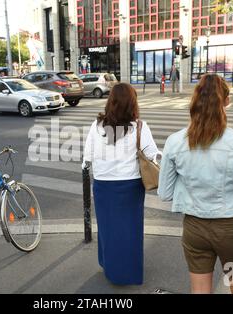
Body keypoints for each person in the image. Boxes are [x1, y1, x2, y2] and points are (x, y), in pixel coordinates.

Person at [157, 74, 233, 294]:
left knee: (200, 291)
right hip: (231, 232)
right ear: (226, 101)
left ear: (194, 101)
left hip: (195, 230)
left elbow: (165, 193)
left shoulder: (175, 142)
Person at [83, 83, 160, 285]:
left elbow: (88, 156)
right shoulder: (139, 127)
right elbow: (152, 155)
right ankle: (129, 272)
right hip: (131, 186)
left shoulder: (97, 126)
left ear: (111, 102)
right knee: (130, 229)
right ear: (132, 103)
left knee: (108, 228)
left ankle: (110, 265)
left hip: (103, 185)